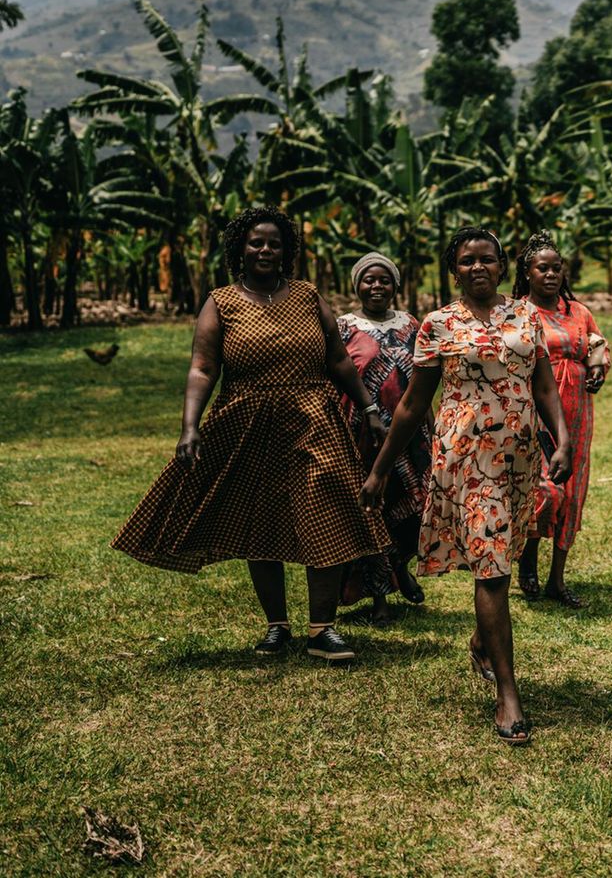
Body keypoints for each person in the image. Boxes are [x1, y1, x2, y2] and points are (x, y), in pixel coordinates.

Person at [113, 206, 390, 662]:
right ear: (240, 249)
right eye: (256, 243)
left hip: (312, 414)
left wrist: (368, 407)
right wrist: (189, 426)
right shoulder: (221, 301)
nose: (265, 250)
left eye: (274, 243)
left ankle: (322, 629)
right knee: (262, 522)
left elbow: (338, 361)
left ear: (286, 251)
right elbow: (203, 367)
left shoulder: (306, 295)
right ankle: (277, 626)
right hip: (247, 418)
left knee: (327, 510)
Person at [361, 227, 571, 746]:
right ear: (454, 270)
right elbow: (413, 404)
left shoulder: (525, 316)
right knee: (493, 567)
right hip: (466, 459)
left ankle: (483, 640)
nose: (477, 267)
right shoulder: (437, 325)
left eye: (487, 260)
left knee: (503, 552)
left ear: (502, 266)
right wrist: (382, 468)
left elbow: (542, 382)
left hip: (520, 459)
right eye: (466, 261)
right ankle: (508, 693)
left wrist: (560, 439)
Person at [513, 231, 610, 609]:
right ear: (528, 272)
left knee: (572, 493)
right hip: (536, 411)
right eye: (543, 268)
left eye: (557, 268)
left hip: (578, 409)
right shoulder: (518, 312)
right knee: (545, 491)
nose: (551, 275)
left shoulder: (579, 312)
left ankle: (557, 579)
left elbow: (597, 346)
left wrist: (598, 369)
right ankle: (528, 561)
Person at [336, 251, 431, 621]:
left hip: (411, 433)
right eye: (368, 280)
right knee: (373, 510)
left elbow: (425, 378)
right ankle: (379, 599)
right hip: (363, 433)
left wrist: (432, 426)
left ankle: (401, 564)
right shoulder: (343, 326)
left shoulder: (411, 324)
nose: (376, 286)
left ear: (395, 285)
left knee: (417, 506)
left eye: (384, 280)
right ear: (357, 285)